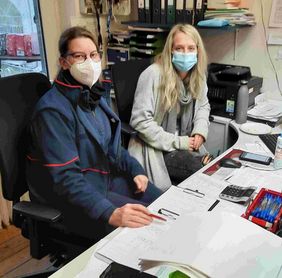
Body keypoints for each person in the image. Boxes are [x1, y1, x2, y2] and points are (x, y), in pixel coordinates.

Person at [26, 26, 162, 241]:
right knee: (151, 227)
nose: (89, 62)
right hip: (74, 197)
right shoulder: (52, 111)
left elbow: (111, 148)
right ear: (64, 62)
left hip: (102, 179)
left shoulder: (92, 95)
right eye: (79, 56)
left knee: (165, 206)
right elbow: (66, 180)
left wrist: (136, 169)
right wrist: (110, 212)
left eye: (93, 55)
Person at [128, 24, 211, 191]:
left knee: (212, 167)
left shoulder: (198, 77)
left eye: (190, 48)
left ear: (198, 51)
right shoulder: (153, 75)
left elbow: (203, 105)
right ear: (170, 50)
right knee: (203, 173)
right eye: (179, 48)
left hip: (185, 142)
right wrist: (179, 142)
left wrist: (200, 131)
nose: (185, 53)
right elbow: (140, 121)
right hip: (155, 146)